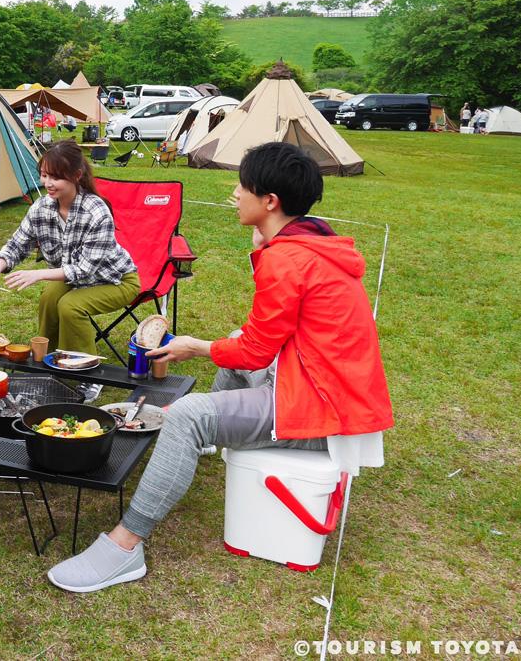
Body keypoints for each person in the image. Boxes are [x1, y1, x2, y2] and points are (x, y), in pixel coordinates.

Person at [46, 142, 393, 593]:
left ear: (269, 201)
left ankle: (125, 546)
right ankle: (200, 446)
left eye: (242, 186)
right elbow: (267, 335)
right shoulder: (311, 241)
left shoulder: (288, 259)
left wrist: (192, 346)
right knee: (226, 347)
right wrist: (265, 242)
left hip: (323, 412)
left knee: (190, 414)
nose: (234, 194)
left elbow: (254, 354)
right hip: (326, 388)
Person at [0, 141, 138, 355]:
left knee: (70, 306)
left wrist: (38, 274)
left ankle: (84, 374)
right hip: (73, 277)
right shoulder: (41, 207)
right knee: (49, 297)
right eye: (44, 175)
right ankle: (48, 358)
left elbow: (84, 270)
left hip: (115, 280)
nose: (48, 183)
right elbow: (19, 242)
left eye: (56, 177)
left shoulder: (96, 212)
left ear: (76, 175)